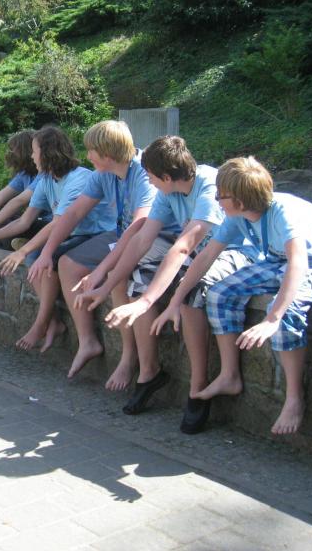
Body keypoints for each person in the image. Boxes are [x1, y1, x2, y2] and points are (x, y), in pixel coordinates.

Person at [152, 156, 312, 435]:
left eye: (222, 195)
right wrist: (175, 301)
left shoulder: (284, 213)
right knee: (220, 293)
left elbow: (298, 263)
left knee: (286, 310)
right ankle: (229, 375)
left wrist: (273, 318)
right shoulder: (237, 216)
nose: (217, 200)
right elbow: (206, 257)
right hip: (277, 262)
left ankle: (294, 398)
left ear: (241, 199)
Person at [75, 136, 253, 426]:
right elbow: (142, 239)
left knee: (191, 293)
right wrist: (105, 287)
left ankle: (197, 387)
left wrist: (146, 303)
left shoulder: (209, 187)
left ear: (167, 177)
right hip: (197, 252)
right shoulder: (168, 191)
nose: (148, 180)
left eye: (151, 176)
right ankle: (149, 372)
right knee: (140, 277)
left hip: (231, 251)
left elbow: (184, 246)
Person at [32, 120, 155, 381]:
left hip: (148, 236)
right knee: (66, 263)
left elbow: (139, 227)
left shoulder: (144, 173)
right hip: (121, 233)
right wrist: (46, 252)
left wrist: (101, 270)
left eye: (91, 151)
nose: (87, 156)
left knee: (117, 276)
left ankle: (129, 356)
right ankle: (87, 341)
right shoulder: (103, 174)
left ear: (107, 154)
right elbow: (74, 212)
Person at [0, 126, 116, 353]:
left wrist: (22, 251)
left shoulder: (78, 179)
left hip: (96, 233)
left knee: (51, 259)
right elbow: (25, 221)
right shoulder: (46, 179)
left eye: (34, 151)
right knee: (37, 258)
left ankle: (43, 325)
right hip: (73, 233)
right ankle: (53, 322)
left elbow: (59, 222)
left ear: (47, 152)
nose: (31, 156)